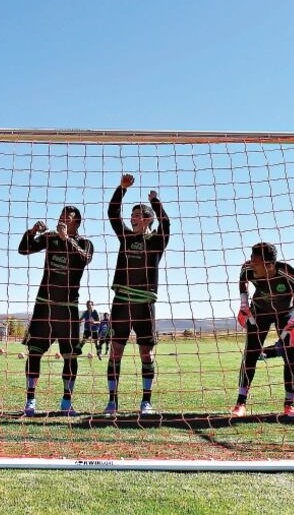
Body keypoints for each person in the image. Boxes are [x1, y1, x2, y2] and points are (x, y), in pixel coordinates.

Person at [18, 206, 94, 415]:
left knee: (70, 356)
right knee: (34, 353)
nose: (62, 220)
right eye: (60, 217)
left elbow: (83, 260)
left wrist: (66, 239)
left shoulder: (85, 243)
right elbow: (23, 249)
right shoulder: (50, 238)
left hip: (68, 309)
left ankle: (67, 402)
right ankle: (30, 401)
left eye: (67, 218)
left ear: (76, 222)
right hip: (44, 306)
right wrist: (32, 231)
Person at [106, 174, 170, 415]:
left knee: (147, 353)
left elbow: (167, 224)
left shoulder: (156, 242)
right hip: (122, 302)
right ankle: (112, 401)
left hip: (144, 304)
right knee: (115, 351)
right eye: (131, 215)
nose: (132, 219)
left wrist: (156, 202)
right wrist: (121, 189)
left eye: (137, 215)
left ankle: (146, 402)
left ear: (148, 220)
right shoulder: (126, 237)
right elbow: (113, 214)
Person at [232, 242, 294, 417]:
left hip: (285, 313)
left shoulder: (289, 273)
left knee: (291, 355)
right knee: (251, 353)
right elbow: (243, 280)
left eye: (255, 261)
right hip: (259, 311)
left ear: (269, 265)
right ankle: (240, 404)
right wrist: (243, 304)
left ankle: (289, 404)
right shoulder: (248, 269)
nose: (250, 263)